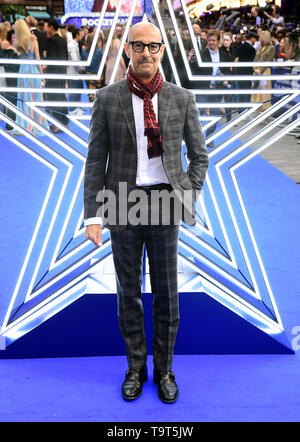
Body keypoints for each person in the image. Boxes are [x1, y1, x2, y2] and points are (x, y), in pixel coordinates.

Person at [83, 22, 209, 403]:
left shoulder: (181, 98)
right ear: (128, 51)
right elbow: (94, 162)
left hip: (165, 203)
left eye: (153, 46)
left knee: (168, 294)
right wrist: (92, 216)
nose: (146, 53)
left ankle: (165, 369)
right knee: (129, 293)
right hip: (121, 201)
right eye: (138, 46)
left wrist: (188, 193)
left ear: (161, 52)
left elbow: (199, 156)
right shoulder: (107, 98)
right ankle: (135, 368)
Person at [12, 19, 49, 136]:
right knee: (35, 97)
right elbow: (38, 60)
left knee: (24, 97)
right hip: (33, 71)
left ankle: (23, 124)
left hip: (23, 71)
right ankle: (36, 123)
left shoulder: (18, 41)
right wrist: (43, 76)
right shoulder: (33, 40)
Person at [44, 18, 69, 133]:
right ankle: (65, 122)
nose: (45, 28)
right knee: (61, 96)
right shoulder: (63, 39)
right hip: (62, 71)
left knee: (54, 97)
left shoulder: (51, 40)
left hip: (53, 72)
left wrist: (45, 58)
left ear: (51, 27)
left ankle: (57, 124)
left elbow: (51, 58)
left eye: (47, 26)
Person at [251, 30, 275, 114]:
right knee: (256, 90)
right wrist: (255, 68)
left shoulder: (271, 48)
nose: (259, 38)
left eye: (260, 37)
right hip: (256, 71)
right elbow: (255, 59)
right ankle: (256, 110)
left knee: (264, 92)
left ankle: (264, 111)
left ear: (265, 37)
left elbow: (269, 61)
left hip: (265, 72)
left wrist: (260, 70)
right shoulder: (259, 48)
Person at [81, 31, 104, 102]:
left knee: (90, 95)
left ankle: (92, 109)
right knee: (98, 95)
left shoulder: (83, 50)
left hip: (88, 74)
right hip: (98, 74)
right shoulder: (99, 51)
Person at [235, 31, 257, 103]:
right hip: (247, 73)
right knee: (247, 93)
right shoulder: (252, 49)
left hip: (239, 73)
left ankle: (240, 110)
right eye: (255, 39)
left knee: (241, 93)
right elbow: (252, 61)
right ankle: (245, 109)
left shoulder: (240, 47)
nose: (256, 41)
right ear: (252, 38)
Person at [67, 28, 84, 115]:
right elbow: (74, 59)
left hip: (76, 72)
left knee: (78, 88)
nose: (82, 36)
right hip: (73, 72)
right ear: (77, 34)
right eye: (81, 34)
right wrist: (80, 69)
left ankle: (76, 107)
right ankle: (72, 109)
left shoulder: (75, 44)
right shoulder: (72, 45)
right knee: (74, 89)